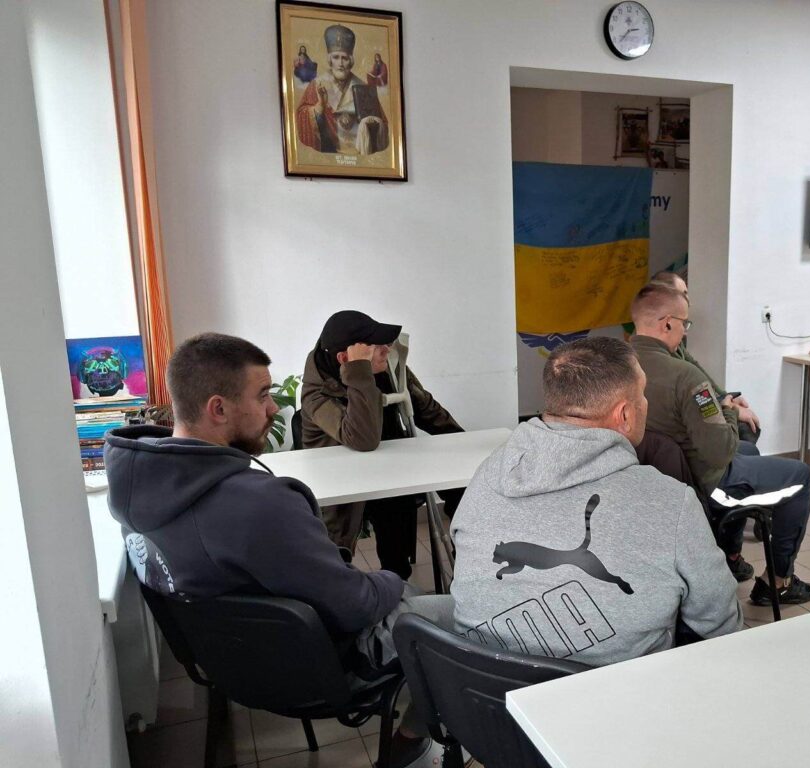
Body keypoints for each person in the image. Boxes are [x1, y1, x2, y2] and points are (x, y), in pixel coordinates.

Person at [103, 332, 452, 766]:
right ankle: (411, 741)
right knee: (459, 617)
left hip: (228, 667)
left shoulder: (134, 486)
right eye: (263, 395)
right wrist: (391, 580)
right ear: (218, 409)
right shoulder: (257, 503)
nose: (273, 408)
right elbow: (356, 605)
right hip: (314, 671)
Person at [450, 336, 741, 666]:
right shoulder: (672, 501)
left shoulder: (488, 473)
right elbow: (720, 624)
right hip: (615, 694)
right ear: (625, 415)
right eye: (642, 395)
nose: (645, 403)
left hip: (480, 686)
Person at [630, 283, 810, 605]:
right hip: (703, 484)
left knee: (750, 451)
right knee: (800, 475)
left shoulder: (618, 368)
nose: (685, 332)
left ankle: (729, 558)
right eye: (685, 324)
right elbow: (719, 452)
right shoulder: (686, 378)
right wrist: (728, 410)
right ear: (668, 324)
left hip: (652, 478)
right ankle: (779, 582)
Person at [301, 310, 464, 579]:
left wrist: (465, 447)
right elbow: (363, 439)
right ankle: (386, 582)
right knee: (383, 516)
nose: (387, 350)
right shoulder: (317, 393)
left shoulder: (387, 366)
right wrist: (359, 373)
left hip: (391, 469)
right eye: (377, 346)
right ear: (346, 358)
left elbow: (426, 408)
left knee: (464, 487)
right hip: (345, 485)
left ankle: (469, 560)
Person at [650, 270, 761, 449]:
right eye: (683, 294)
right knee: (745, 431)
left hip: (697, 418)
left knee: (746, 431)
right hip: (688, 434)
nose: (689, 301)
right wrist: (730, 409)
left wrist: (727, 398)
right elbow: (695, 396)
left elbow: (699, 374)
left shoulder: (675, 346)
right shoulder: (661, 357)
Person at [295, 24, 388, 155]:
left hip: (358, 153)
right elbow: (301, 115)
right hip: (328, 151)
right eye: (336, 57)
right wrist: (319, 106)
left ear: (351, 61)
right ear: (330, 60)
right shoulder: (317, 84)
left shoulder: (363, 88)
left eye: (344, 58)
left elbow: (383, 123)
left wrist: (371, 123)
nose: (340, 63)